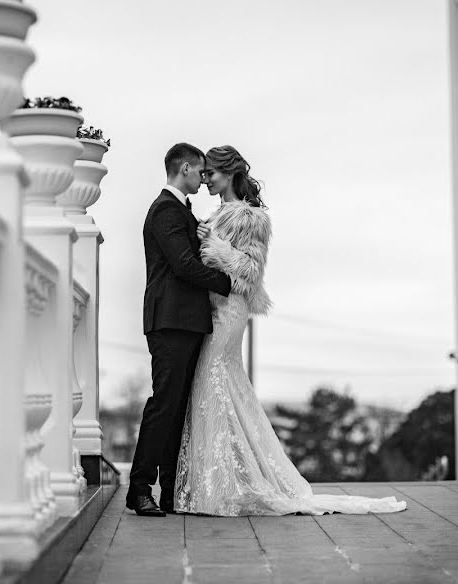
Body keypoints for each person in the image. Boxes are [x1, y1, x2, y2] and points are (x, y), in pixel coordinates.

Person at [174, 145, 406, 516]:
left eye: (211, 174)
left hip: (230, 310)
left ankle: (224, 485)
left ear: (229, 173)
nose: (205, 181)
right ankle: (218, 482)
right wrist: (205, 237)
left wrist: (213, 245)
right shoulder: (217, 214)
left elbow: (250, 272)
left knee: (212, 379)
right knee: (219, 385)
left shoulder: (252, 218)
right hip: (211, 307)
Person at [127, 143, 234, 517]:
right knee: (163, 406)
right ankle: (139, 490)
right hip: (170, 321)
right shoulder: (166, 211)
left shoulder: (181, 212)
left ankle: (170, 491)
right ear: (185, 168)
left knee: (176, 409)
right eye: (200, 171)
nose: (203, 177)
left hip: (185, 321)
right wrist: (229, 282)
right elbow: (185, 266)